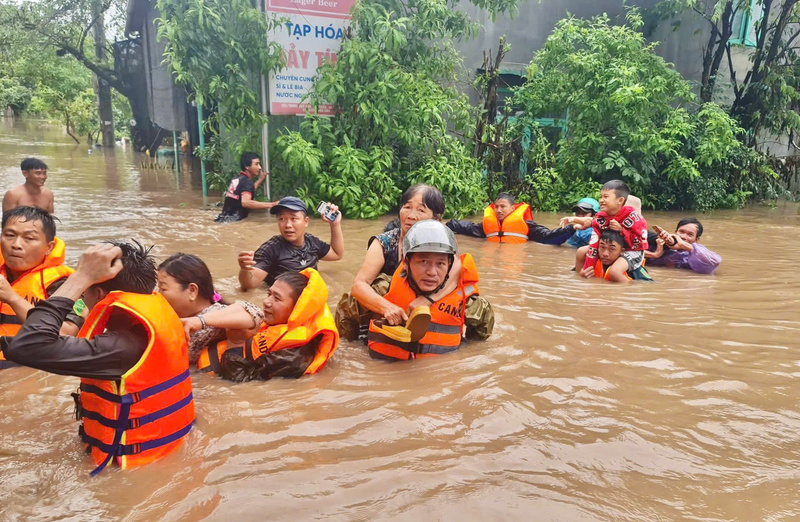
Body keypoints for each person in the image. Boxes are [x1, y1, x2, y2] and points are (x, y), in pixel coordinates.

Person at [1, 241, 195, 475]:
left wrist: (80, 277)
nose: (82, 295)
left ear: (99, 293)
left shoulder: (119, 348)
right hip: (170, 450)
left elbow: (27, 346)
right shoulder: (159, 315)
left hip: (129, 470)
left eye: (85, 291)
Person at [336, 184, 461, 340]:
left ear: (436, 218)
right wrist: (387, 307)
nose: (411, 215)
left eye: (421, 210)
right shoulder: (384, 242)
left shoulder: (443, 240)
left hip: (425, 302)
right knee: (364, 294)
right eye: (407, 207)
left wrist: (427, 300)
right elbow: (358, 286)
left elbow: (457, 270)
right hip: (390, 303)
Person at [367, 220, 494, 361]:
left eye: (440, 263)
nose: (432, 272)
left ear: (449, 266)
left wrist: (464, 354)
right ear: (406, 263)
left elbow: (481, 336)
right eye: (424, 262)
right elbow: (348, 317)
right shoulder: (382, 289)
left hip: (441, 375)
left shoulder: (467, 302)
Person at [183, 268, 339, 381]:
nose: (266, 302)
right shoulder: (274, 323)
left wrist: (235, 342)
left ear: (298, 309)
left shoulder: (294, 358)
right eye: (268, 294)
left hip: (201, 380)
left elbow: (238, 383)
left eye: (276, 298)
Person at [0, 207, 79, 368]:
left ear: (49, 247)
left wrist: (12, 298)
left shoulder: (65, 284)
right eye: (9, 235)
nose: (16, 245)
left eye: (29, 238)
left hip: (23, 372)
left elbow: (67, 335)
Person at [157, 253, 265, 366]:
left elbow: (255, 313)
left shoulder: (215, 317)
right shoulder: (175, 316)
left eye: (163, 289)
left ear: (192, 290)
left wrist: (199, 321)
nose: (158, 295)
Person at [238, 196, 344, 290]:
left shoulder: (312, 243)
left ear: (306, 222)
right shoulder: (271, 248)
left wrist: (335, 224)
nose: (288, 225)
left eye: (293, 218)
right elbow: (249, 285)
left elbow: (336, 254)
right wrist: (244, 269)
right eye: (282, 218)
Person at [575, 180, 648, 282]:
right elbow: (594, 240)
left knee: (614, 272)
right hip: (610, 245)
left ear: (620, 200)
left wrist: (622, 230)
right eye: (601, 196)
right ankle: (578, 278)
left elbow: (640, 242)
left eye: (606, 197)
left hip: (632, 249)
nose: (601, 200)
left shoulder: (635, 218)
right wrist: (587, 268)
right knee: (580, 251)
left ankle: (630, 287)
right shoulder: (600, 217)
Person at [446, 192, 574, 244]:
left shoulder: (526, 225)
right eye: (496, 207)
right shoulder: (486, 226)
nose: (499, 210)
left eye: (503, 206)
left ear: (512, 209)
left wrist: (571, 228)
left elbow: (548, 237)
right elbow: (466, 227)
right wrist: (447, 225)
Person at [215, 152, 278, 222]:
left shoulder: (237, 179)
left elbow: (248, 190)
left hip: (223, 219)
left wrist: (260, 180)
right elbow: (245, 202)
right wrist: (272, 204)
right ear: (247, 166)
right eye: (256, 164)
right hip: (234, 221)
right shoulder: (247, 182)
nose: (260, 167)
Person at [646, 218, 721, 274]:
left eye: (690, 234)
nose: (683, 236)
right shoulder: (661, 244)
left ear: (696, 240)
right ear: (675, 232)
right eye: (681, 232)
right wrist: (655, 254)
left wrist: (682, 245)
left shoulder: (698, 253)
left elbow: (715, 262)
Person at [579, 229, 653, 282]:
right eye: (602, 247)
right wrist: (581, 277)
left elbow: (647, 286)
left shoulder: (633, 268)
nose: (605, 254)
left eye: (612, 249)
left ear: (622, 251)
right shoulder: (591, 263)